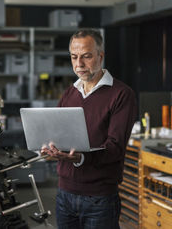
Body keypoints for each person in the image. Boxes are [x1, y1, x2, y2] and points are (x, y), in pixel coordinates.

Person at [41, 29, 137, 229]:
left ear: (100, 56)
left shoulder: (121, 94)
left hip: (99, 199)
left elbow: (115, 147)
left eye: (86, 56)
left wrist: (81, 157)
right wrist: (50, 150)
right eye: (74, 57)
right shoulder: (70, 93)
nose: (79, 64)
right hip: (64, 194)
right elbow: (57, 135)